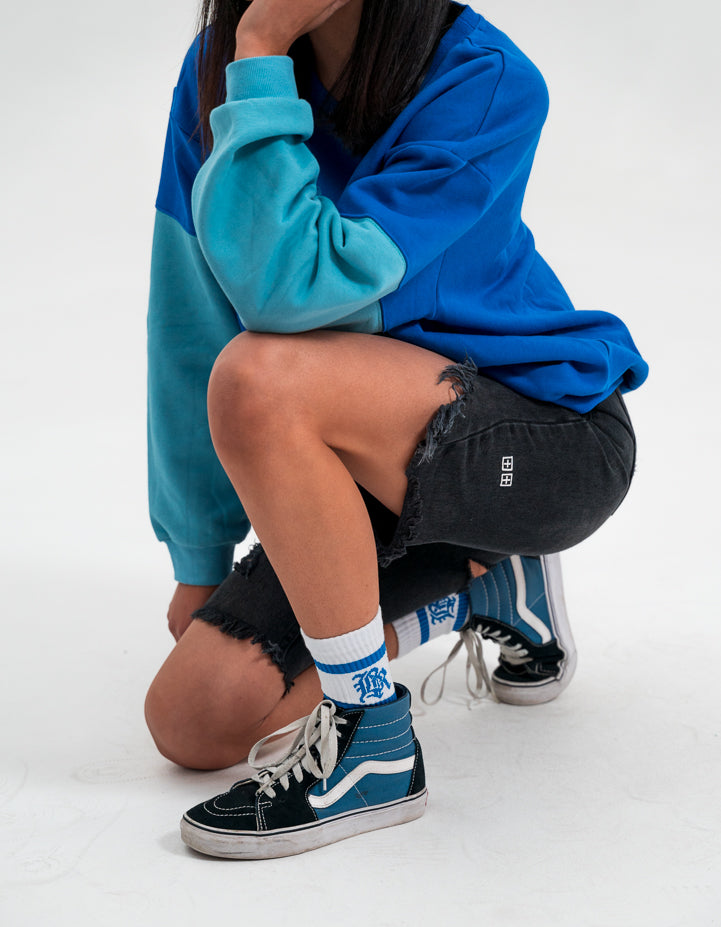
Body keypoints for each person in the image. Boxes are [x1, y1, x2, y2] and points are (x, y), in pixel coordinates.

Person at [144, 0, 646, 859]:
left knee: (262, 373)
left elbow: (288, 294)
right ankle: (481, 588)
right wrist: (196, 557)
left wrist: (261, 46)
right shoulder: (214, 77)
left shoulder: (485, 78)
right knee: (194, 719)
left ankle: (372, 739)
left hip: (542, 439)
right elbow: (189, 322)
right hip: (359, 454)